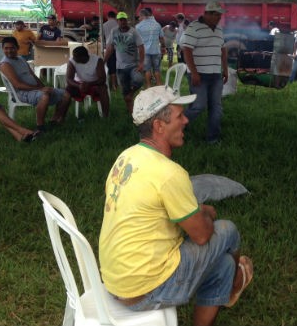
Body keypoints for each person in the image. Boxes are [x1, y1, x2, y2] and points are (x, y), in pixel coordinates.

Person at [99, 87, 253, 326]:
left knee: (221, 264)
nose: (186, 120)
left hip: (117, 281)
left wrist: (199, 210)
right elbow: (202, 236)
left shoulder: (126, 158)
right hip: (146, 288)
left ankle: (227, 278)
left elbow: (156, 208)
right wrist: (206, 214)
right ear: (159, 126)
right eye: (180, 116)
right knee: (228, 229)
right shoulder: (169, 174)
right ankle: (234, 284)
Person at [0, 36, 71, 131]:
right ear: (2, 49)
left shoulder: (20, 59)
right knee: (44, 96)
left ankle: (56, 120)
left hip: (33, 89)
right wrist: (40, 89)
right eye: (6, 48)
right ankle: (40, 127)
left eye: (12, 48)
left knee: (66, 94)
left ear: (17, 47)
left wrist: (43, 87)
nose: (9, 50)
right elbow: (17, 85)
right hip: (21, 93)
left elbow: (33, 75)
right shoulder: (5, 64)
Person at [182, 2, 229, 144]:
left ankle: (213, 139)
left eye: (220, 14)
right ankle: (176, 125)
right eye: (216, 14)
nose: (219, 17)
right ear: (206, 13)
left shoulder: (219, 29)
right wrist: (194, 73)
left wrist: (225, 69)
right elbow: (187, 50)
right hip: (199, 75)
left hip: (215, 75)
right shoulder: (193, 27)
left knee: (216, 107)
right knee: (198, 106)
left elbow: (223, 49)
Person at [104, 11, 145, 113]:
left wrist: (141, 63)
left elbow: (141, 47)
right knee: (124, 90)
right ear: (117, 21)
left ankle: (131, 94)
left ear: (127, 20)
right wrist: (103, 61)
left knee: (139, 80)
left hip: (133, 65)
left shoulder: (133, 32)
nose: (123, 22)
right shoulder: (114, 31)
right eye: (120, 20)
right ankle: (131, 111)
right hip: (120, 67)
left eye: (124, 20)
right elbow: (110, 48)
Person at [65, 46, 110, 117]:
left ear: (83, 57)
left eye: (75, 57)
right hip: (78, 84)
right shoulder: (72, 61)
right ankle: (61, 116)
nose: (73, 58)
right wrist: (79, 85)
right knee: (67, 91)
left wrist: (89, 84)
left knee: (103, 88)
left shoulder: (97, 60)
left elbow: (102, 79)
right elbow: (68, 79)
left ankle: (105, 115)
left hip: (94, 84)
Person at [135, 7, 165, 86]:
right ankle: (159, 85)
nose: (139, 18)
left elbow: (136, 41)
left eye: (139, 16)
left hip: (145, 52)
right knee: (157, 70)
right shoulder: (157, 24)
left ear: (142, 16)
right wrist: (163, 47)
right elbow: (161, 38)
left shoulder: (138, 27)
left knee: (147, 70)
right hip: (156, 51)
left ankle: (149, 86)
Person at [102, 10, 119, 90]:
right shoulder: (118, 24)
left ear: (107, 16)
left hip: (109, 48)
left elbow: (101, 37)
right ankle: (117, 84)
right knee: (117, 66)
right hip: (119, 48)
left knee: (111, 66)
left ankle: (113, 85)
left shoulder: (104, 25)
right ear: (115, 17)